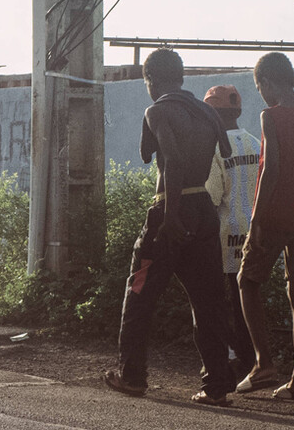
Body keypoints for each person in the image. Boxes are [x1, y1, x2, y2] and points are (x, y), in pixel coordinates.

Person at [102, 48, 236, 406]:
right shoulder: (209, 112)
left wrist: (171, 216)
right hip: (204, 210)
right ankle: (217, 385)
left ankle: (131, 376)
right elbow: (221, 151)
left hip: (169, 211)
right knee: (209, 300)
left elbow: (166, 158)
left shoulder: (157, 109)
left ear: (151, 80)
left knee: (140, 292)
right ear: (181, 76)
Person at [237, 52, 294, 400]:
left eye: (259, 86)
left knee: (247, 281)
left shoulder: (270, 116)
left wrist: (257, 219)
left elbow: (271, 169)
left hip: (274, 215)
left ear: (266, 84)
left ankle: (264, 364)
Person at [202, 85, 260, 380]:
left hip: (226, 236)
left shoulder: (215, 148)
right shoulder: (256, 144)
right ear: (237, 112)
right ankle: (256, 360)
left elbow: (212, 197)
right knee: (249, 298)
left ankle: (236, 359)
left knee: (223, 301)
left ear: (212, 114)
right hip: (258, 234)